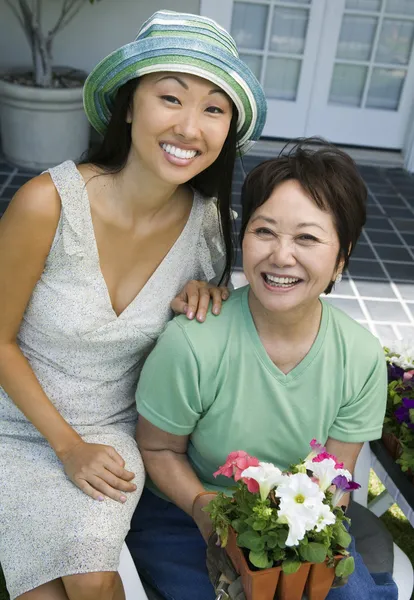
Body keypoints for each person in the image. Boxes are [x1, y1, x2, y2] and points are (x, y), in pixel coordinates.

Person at [0, 10, 267, 600]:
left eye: (214, 109)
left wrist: (211, 296)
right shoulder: (47, 202)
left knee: (94, 582)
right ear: (128, 106)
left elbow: (212, 331)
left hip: (113, 432)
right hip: (14, 429)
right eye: (171, 97)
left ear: (227, 131)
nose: (190, 127)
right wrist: (67, 447)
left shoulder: (208, 230)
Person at [129, 140, 398, 600]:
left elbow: (335, 478)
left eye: (307, 238)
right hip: (186, 513)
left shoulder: (360, 355)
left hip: (300, 521)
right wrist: (203, 508)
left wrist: (306, 538)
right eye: (264, 231)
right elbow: (157, 449)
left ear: (342, 256)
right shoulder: (194, 343)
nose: (281, 256)